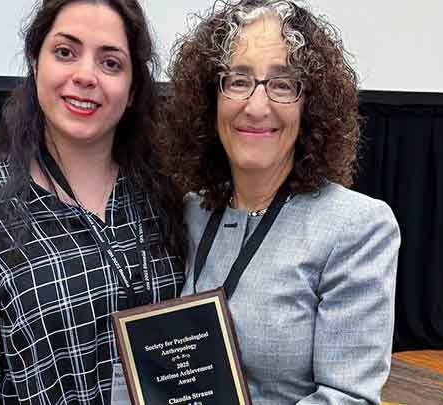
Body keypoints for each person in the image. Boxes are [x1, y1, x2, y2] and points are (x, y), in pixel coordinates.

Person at [0, 0, 186, 403]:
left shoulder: (162, 194)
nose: (85, 75)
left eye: (111, 63)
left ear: (134, 87)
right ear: (36, 64)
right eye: (65, 52)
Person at [159, 0, 401, 403]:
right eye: (238, 80)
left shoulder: (357, 227)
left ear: (312, 105)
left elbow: (348, 397)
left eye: (283, 84)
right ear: (209, 99)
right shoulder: (190, 213)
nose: (256, 107)